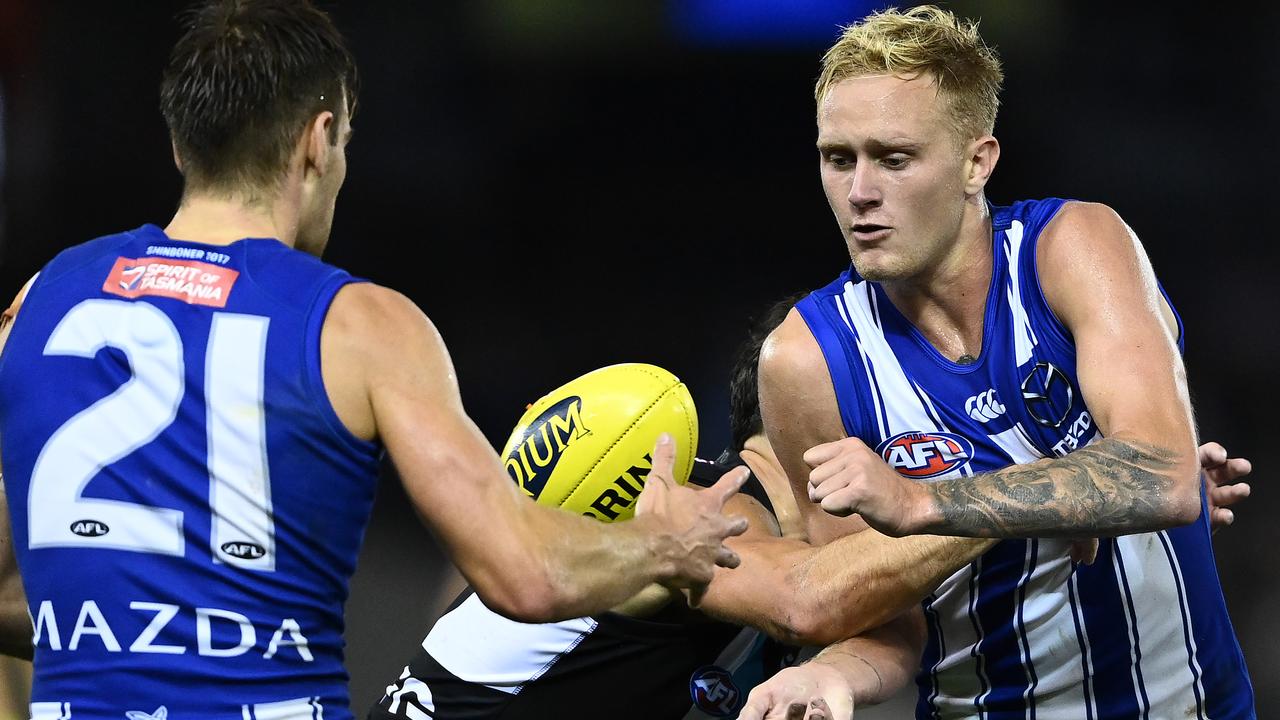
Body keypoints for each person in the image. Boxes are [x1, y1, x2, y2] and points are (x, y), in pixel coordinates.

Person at [0, 2, 748, 718]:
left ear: (179, 142)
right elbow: (526, 574)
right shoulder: (360, 326)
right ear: (318, 140)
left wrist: (128, 627)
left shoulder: (41, 300)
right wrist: (663, 545)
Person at [369, 294, 1251, 720]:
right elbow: (816, 596)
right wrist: (1052, 484)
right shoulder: (713, 509)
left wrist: (1103, 495)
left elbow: (873, 621)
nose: (908, 462)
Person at [735, 6, 1255, 719]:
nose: (859, 192)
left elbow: (1164, 477)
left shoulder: (1073, 248)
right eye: (838, 158)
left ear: (977, 163)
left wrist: (921, 503)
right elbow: (879, 617)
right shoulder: (804, 359)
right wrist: (834, 677)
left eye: (893, 158)